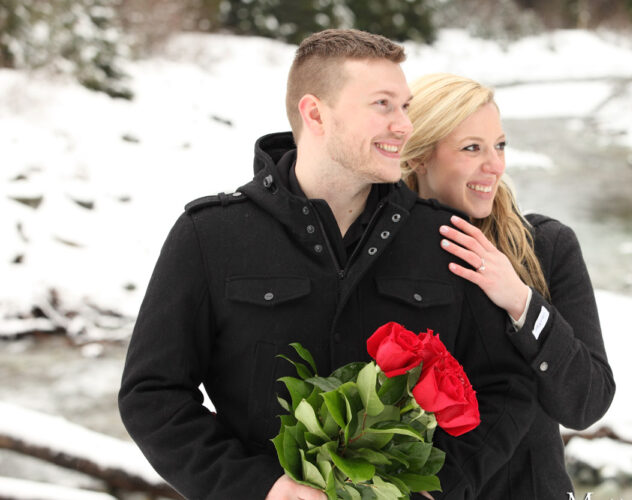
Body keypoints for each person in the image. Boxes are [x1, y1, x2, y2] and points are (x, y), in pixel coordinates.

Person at [118, 31, 537, 500]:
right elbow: (152, 395)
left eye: (406, 107)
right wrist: (260, 488)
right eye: (383, 105)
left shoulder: (444, 238)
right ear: (315, 113)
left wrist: (438, 489)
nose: (404, 125)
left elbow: (506, 388)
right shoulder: (210, 235)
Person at [401, 73, 616, 497]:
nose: (495, 165)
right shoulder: (380, 254)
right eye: (472, 148)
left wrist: (520, 301)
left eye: (499, 145)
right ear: (422, 156)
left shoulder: (547, 246)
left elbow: (586, 402)